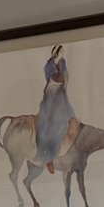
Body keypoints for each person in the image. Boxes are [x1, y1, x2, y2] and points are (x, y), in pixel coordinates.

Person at [34, 44, 74, 173]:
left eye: (63, 51)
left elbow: (65, 79)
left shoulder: (62, 63)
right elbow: (54, 79)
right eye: (61, 51)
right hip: (52, 95)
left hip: (60, 96)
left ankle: (61, 154)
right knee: (49, 123)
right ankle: (48, 157)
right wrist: (60, 79)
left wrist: (63, 79)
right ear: (56, 52)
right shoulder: (49, 65)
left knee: (70, 122)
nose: (62, 53)